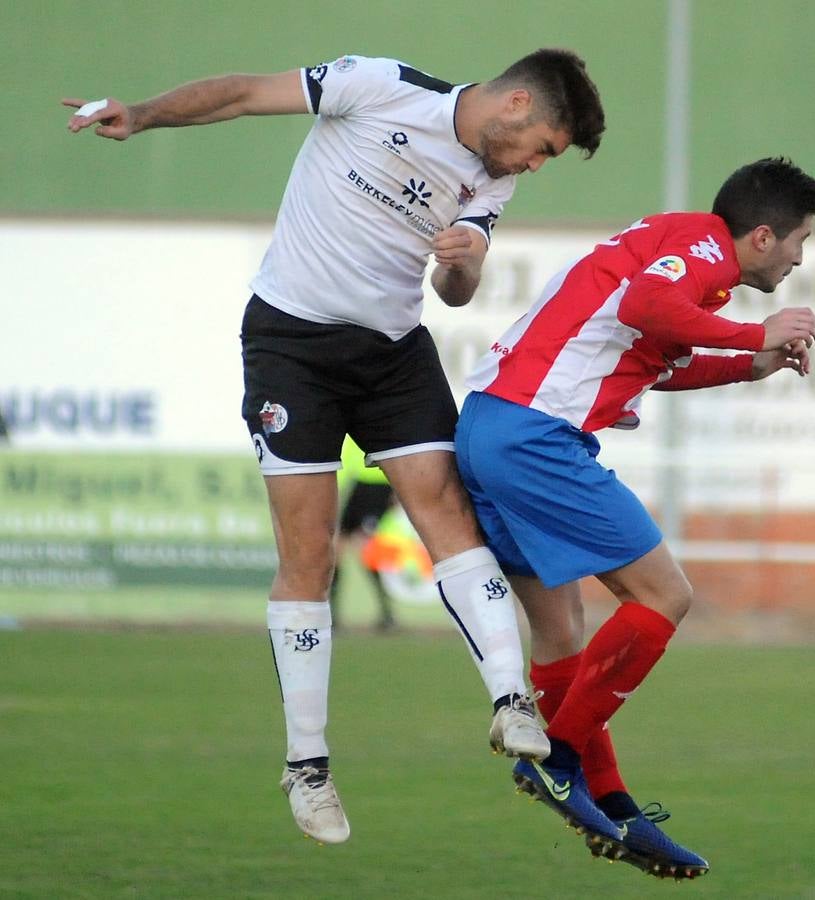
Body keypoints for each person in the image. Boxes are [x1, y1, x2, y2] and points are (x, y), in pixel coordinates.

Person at [64, 49, 606, 845]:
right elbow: (243, 90)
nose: (534, 164)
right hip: (291, 343)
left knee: (448, 513)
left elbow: (455, 285)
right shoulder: (376, 84)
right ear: (517, 103)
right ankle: (307, 766)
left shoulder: (492, 179)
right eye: (543, 146)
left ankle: (509, 699)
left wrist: (462, 266)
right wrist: (142, 114)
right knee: (308, 555)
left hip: (391, 349)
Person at [454, 157, 815, 878]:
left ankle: (613, 806)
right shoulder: (698, 248)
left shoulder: (671, 248)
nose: (797, 259)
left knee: (562, 631)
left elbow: (656, 355)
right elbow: (643, 312)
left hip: (489, 427)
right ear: (760, 236)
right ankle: (557, 761)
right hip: (537, 435)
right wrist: (756, 334)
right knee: (665, 594)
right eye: (798, 242)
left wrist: (755, 364)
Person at [332, 436, 398, 631]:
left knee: (364, 547)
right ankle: (333, 614)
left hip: (380, 484)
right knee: (337, 549)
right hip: (357, 485)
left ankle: (387, 615)